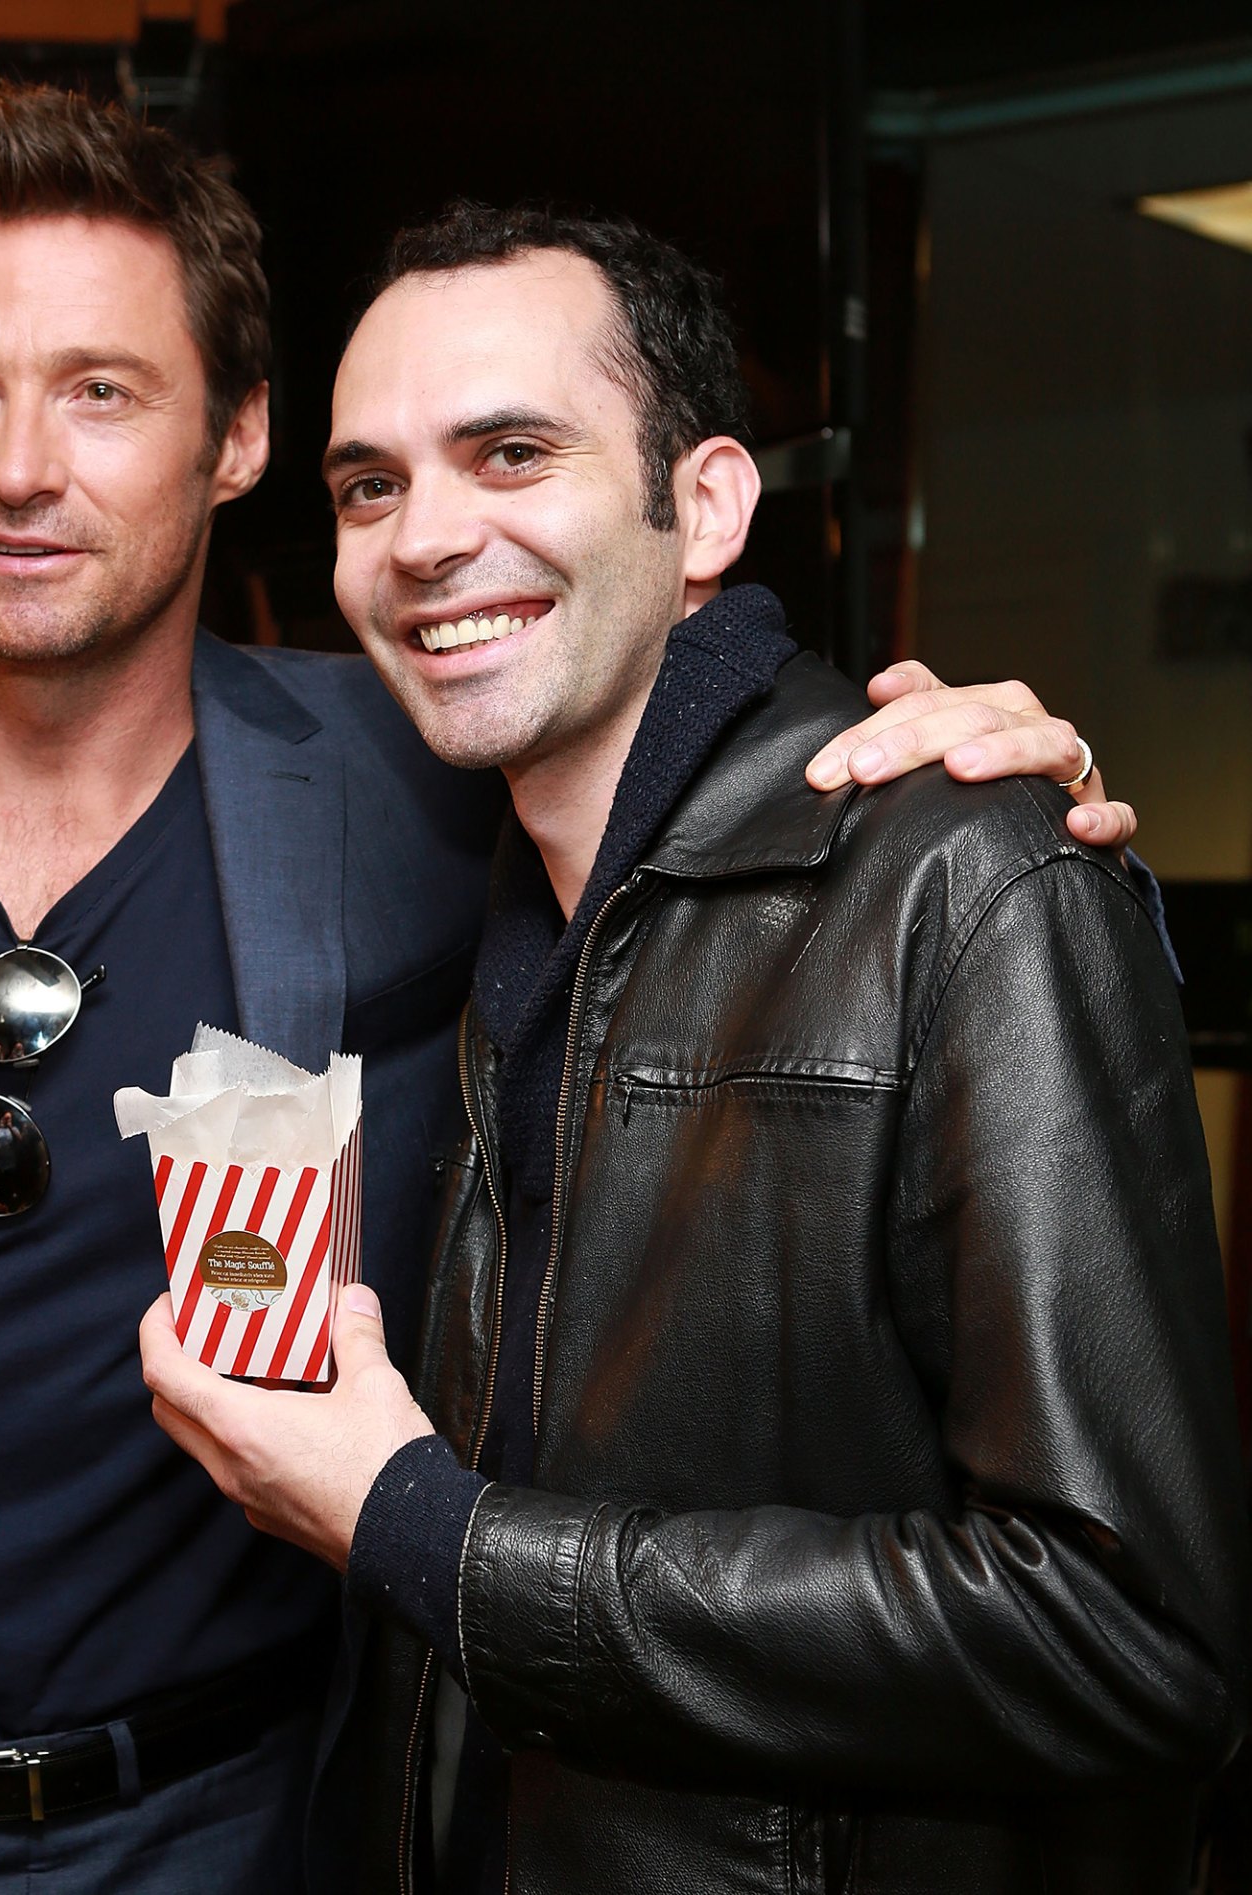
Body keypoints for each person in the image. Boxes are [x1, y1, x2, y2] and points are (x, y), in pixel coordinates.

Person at [0, 84, 1136, 1895]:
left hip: (252, 1822)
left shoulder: (424, 770)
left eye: (103, 391)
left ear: (240, 435)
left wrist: (973, 782)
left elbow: (678, 737)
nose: (20, 467)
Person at [138, 202, 1249, 1895]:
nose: (424, 538)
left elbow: (1128, 1639)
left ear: (707, 506)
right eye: (370, 486)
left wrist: (419, 1529)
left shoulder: (965, 875)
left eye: (513, 454)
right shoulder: (488, 898)